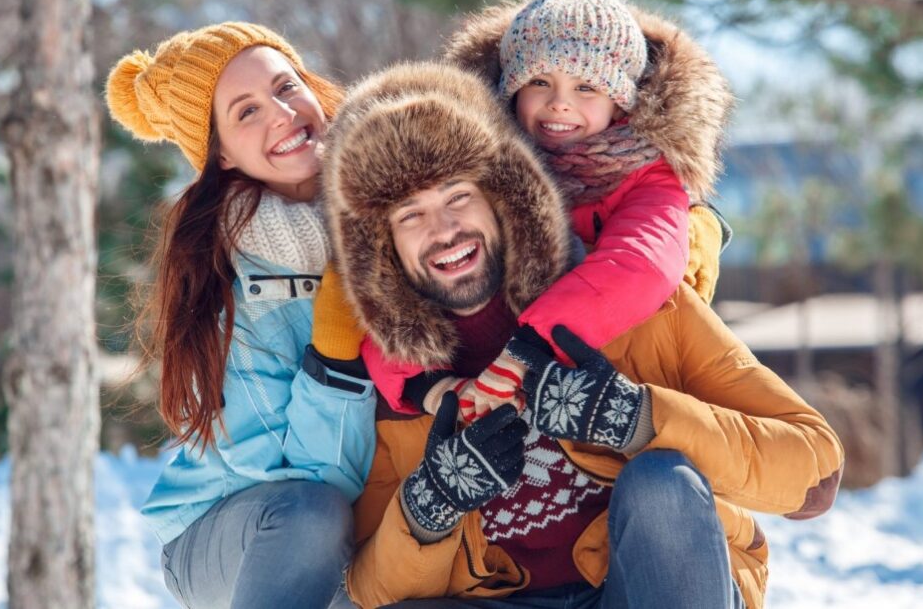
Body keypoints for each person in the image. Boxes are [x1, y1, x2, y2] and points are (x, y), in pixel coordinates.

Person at [321, 61, 845, 608]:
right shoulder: (395, 385)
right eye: (410, 215)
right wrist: (431, 504)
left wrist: (637, 418)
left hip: (649, 586)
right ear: (381, 247)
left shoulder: (640, 310)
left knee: (662, 482)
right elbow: (369, 590)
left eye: (458, 196)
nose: (443, 230)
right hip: (500, 599)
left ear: (506, 198)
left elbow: (815, 472)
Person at [361, 0, 735, 423]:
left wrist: (532, 346)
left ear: (620, 105)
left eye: (586, 88)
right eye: (539, 81)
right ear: (510, 91)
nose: (559, 104)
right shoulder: (475, 173)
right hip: (486, 394)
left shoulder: (648, 177)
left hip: (608, 382)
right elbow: (392, 279)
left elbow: (639, 264)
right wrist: (425, 383)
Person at [105, 22, 376, 609]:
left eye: (286, 87)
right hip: (239, 523)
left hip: (360, 510)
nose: (281, 113)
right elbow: (292, 474)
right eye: (246, 111)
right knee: (312, 517)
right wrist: (334, 353)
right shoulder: (223, 272)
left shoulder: (388, 210)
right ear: (221, 153)